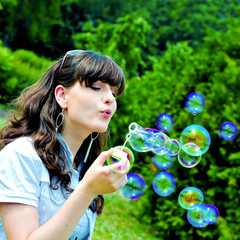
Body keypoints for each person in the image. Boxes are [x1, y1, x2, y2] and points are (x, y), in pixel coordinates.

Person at [0, 50, 129, 240]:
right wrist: (87, 190)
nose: (110, 98)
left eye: (114, 92)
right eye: (95, 87)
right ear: (62, 96)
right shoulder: (22, 155)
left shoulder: (82, 168)